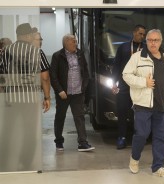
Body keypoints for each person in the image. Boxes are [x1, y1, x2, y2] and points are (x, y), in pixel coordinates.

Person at [123, 29, 164, 178]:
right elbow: (126, 75)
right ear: (146, 41)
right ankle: (135, 158)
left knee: (160, 137)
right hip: (143, 104)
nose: (153, 43)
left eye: (156, 40)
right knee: (142, 134)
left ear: (160, 42)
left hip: (161, 104)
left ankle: (158, 167)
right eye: (150, 40)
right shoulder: (137, 57)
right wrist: (144, 82)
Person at [0, 23, 51, 171]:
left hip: (10, 99)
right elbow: (45, 77)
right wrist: (47, 97)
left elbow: (1, 75)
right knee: (30, 130)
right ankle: (27, 162)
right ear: (28, 36)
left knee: (8, 130)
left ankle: (4, 160)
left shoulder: (5, 51)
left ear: (17, 35)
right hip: (30, 98)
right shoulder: (36, 51)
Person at [50, 34, 94, 152]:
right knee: (60, 117)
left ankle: (82, 143)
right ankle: (59, 141)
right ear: (66, 43)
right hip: (64, 94)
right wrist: (59, 90)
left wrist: (83, 87)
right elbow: (53, 75)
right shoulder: (57, 56)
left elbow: (85, 72)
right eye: (73, 42)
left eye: (76, 41)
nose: (76, 44)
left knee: (79, 118)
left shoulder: (79, 54)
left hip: (78, 92)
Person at [112, 24, 146, 149]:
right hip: (124, 86)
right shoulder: (124, 47)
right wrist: (113, 83)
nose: (142, 36)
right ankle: (122, 137)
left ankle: (137, 138)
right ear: (134, 33)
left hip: (140, 86)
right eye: (140, 33)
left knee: (139, 114)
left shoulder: (146, 48)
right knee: (122, 112)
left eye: (144, 34)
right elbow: (116, 66)